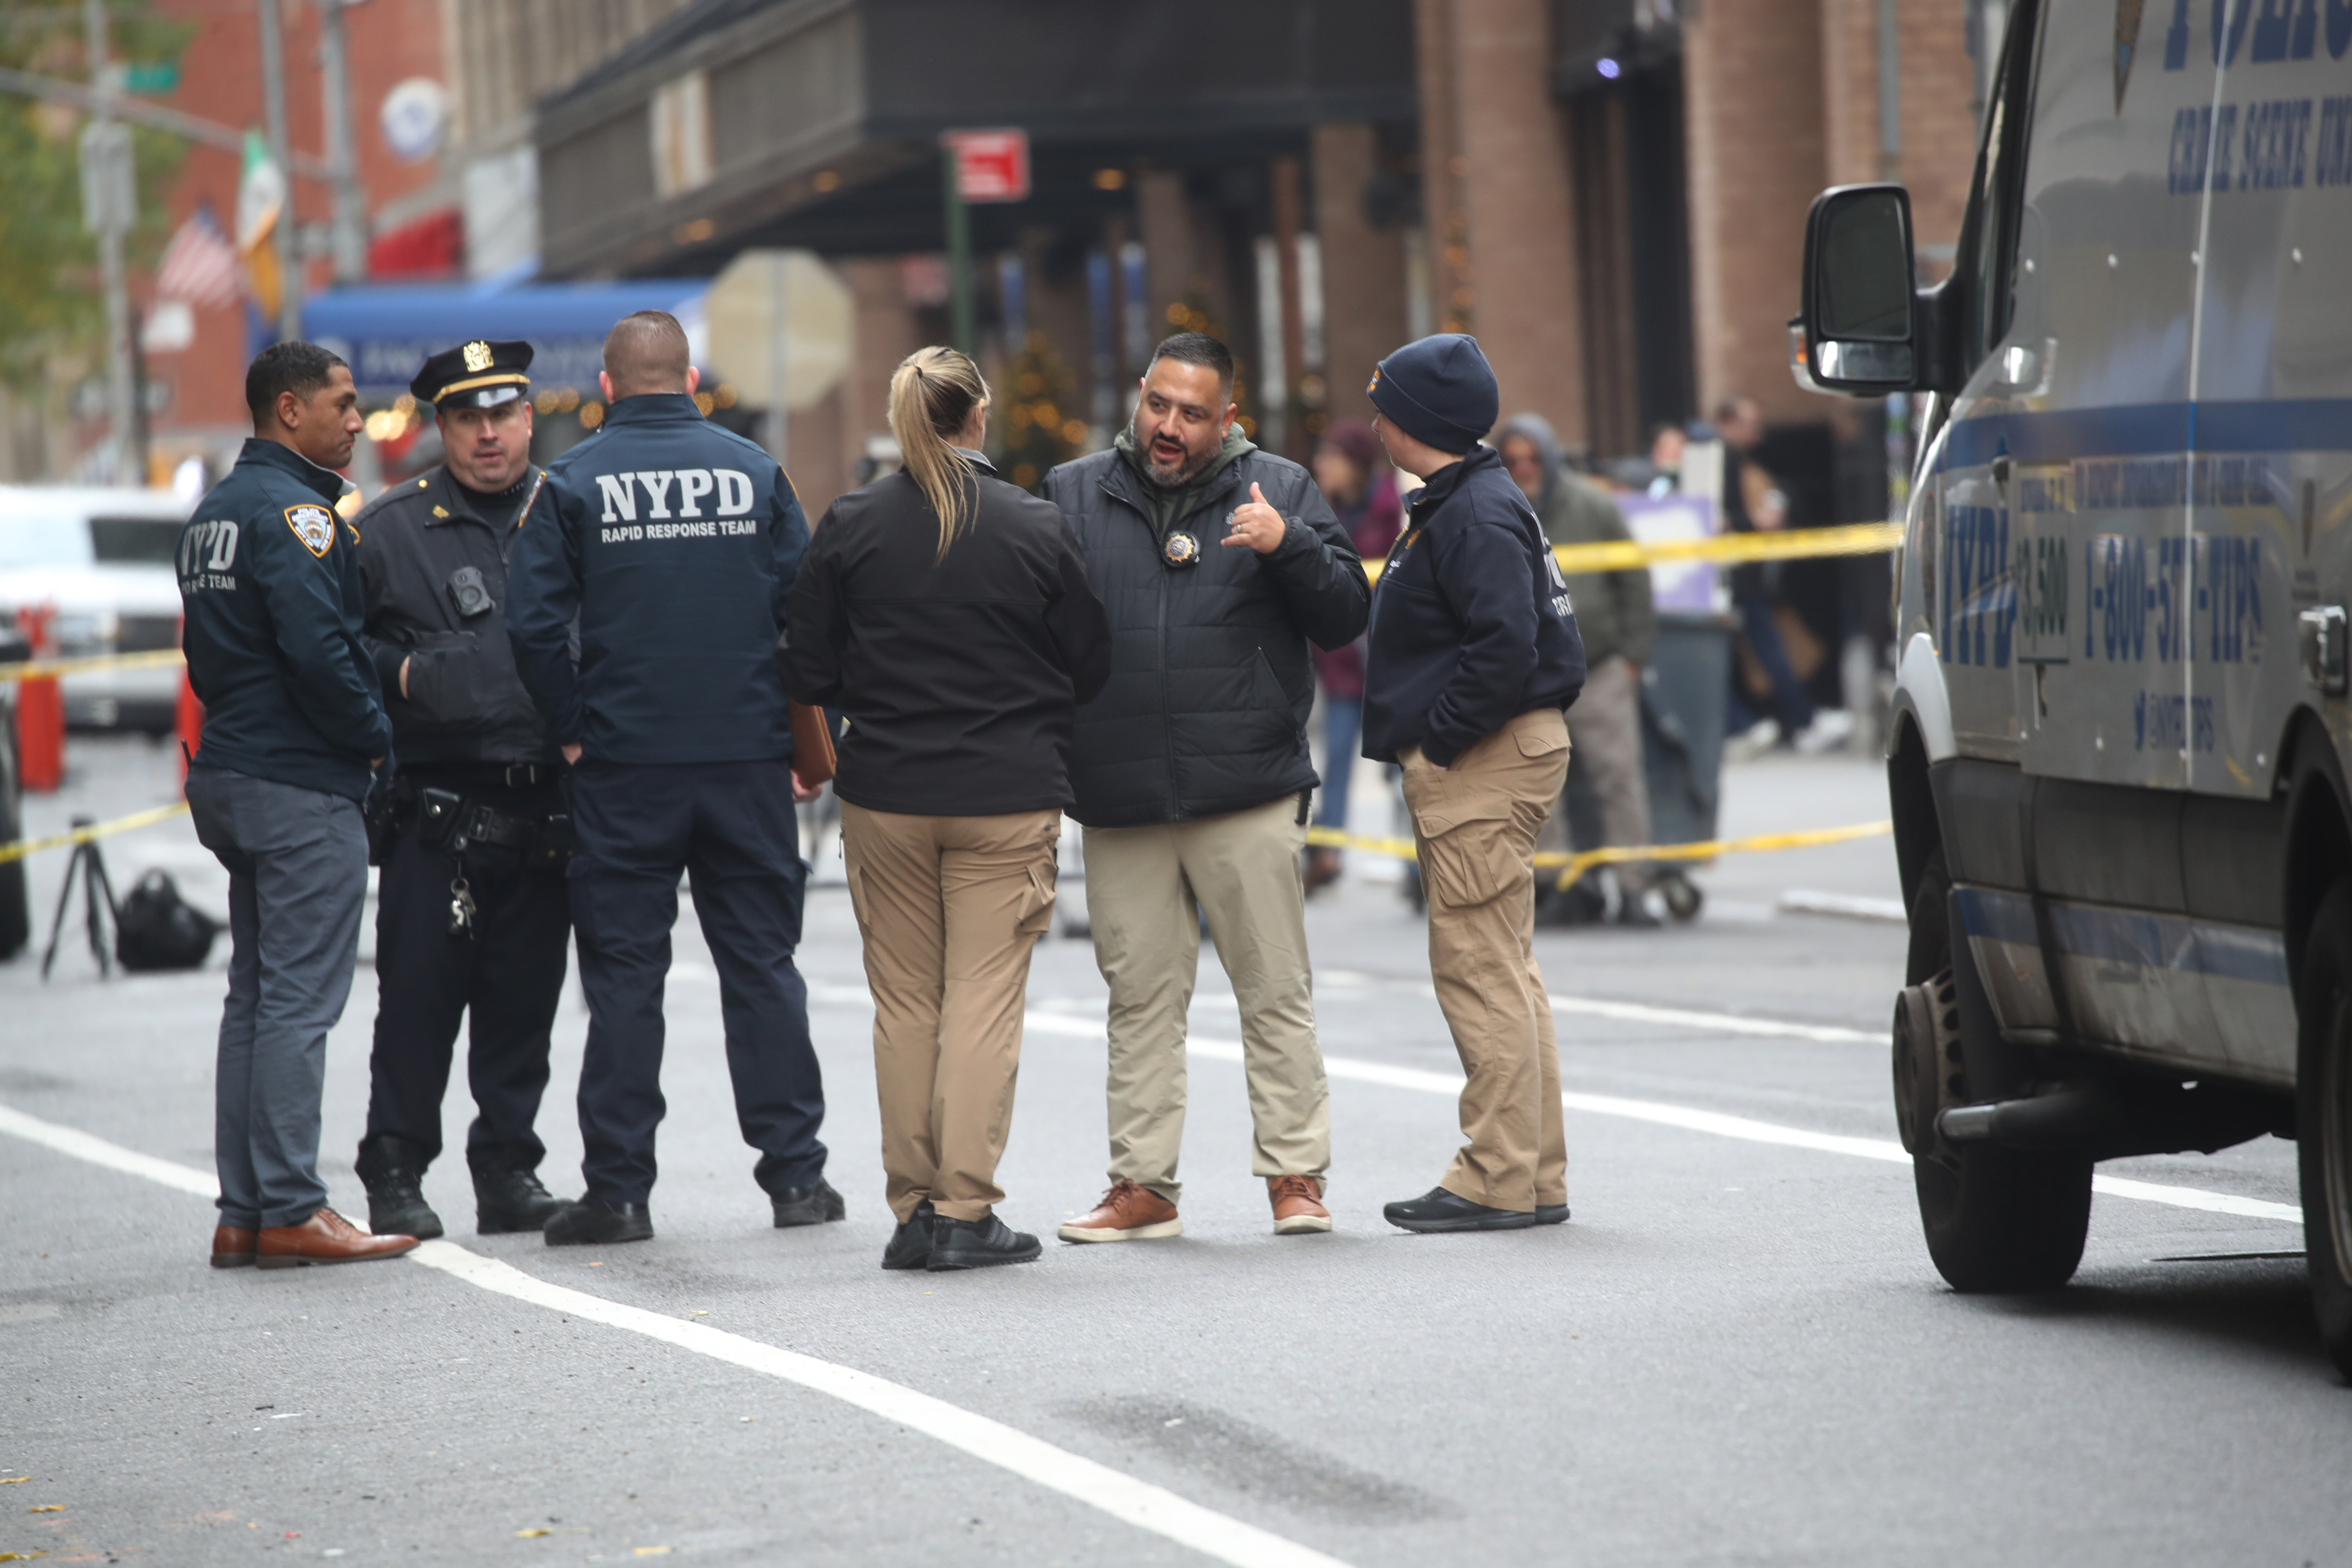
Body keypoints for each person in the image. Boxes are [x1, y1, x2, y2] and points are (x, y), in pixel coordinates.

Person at [505, 310, 833, 1247]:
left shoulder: (570, 483)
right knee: (764, 970)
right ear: (691, 380)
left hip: (625, 768)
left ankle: (619, 1193)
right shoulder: (755, 471)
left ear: (607, 389)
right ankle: (798, 1181)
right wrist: (805, 742)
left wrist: (572, 731)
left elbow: (531, 630)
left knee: (624, 983)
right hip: (746, 765)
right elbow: (806, 615)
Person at [783, 347, 1112, 1272]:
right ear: (977, 418)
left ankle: (913, 1209)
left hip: (886, 791)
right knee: (983, 1002)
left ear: (900, 423)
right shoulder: (1031, 525)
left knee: (905, 1005)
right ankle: (966, 1210)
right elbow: (1092, 657)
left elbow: (804, 668)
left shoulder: (853, 522)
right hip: (1006, 793)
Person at [1041, 332, 1368, 1242]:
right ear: (1138, 396)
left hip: (1248, 785)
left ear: (1229, 418)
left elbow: (1346, 618)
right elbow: (1030, 632)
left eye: (1193, 413)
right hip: (1119, 792)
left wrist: (1289, 544)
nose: (1170, 427)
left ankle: (1295, 1177)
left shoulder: (1283, 488)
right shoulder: (1071, 494)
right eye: (1159, 405)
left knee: (1273, 988)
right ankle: (1143, 1187)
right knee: (1139, 997)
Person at [179, 342, 416, 1271]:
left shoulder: (213, 516)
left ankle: (244, 1210)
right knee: (298, 1004)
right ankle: (289, 1205)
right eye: (345, 404)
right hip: (298, 781)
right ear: (290, 410)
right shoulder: (299, 516)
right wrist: (375, 738)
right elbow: (323, 653)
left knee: (256, 996)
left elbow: (205, 661)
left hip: (234, 771)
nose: (358, 421)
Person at [1359, 334, 1586, 1233]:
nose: (1376, 419)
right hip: (1504, 750)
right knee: (1509, 969)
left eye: (1386, 404)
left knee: (1479, 973)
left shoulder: (1476, 513)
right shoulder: (1472, 499)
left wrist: (1442, 742)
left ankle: (1494, 1174)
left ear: (1417, 421)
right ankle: (1533, 1174)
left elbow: (1505, 646)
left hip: (1486, 757)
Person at [348, 339, 571, 1242]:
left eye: (504, 415)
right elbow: (335, 652)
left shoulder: (568, 511)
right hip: (437, 814)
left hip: (549, 809)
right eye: (469, 418)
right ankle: (396, 1167)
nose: (490, 435)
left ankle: (507, 1167)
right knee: (420, 1003)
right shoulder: (390, 531)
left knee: (525, 1006)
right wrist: (405, 676)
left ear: (528, 417)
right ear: (441, 427)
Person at [1498, 414, 1658, 928]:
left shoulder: (1591, 505)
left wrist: (1633, 654)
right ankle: (1561, 885)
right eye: (1513, 461)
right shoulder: (1498, 511)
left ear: (1548, 458)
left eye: (1531, 459)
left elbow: (1633, 579)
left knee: (1618, 777)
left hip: (1599, 666)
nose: (1524, 469)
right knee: (1542, 784)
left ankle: (1634, 887)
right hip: (1532, 674)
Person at [1303, 420, 1404, 892]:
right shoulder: (1323, 512)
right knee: (1337, 758)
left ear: (1356, 465)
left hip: (1388, 663)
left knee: (1402, 766)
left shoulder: (1391, 511)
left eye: (1332, 459)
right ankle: (1328, 853)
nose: (1322, 467)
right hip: (1343, 664)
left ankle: (1414, 864)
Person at [1717, 397, 1849, 753]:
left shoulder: (1739, 461)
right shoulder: (1722, 459)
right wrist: (1756, 523)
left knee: (1757, 647)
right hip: (1733, 573)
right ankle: (1790, 721)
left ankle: (1758, 723)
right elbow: (1721, 520)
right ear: (1727, 422)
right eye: (1748, 423)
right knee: (1759, 649)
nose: (1756, 433)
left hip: (1740, 572)